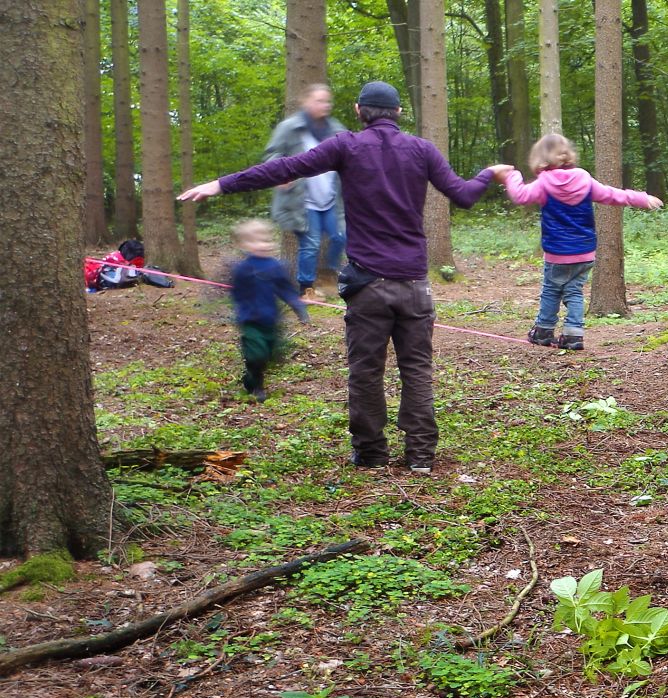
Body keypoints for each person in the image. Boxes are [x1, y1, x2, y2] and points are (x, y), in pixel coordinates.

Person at [180, 81, 509, 473]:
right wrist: (488, 173)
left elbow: (285, 167)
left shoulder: (347, 145)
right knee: (417, 371)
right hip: (413, 287)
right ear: (398, 113)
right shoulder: (421, 149)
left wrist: (219, 184)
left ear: (358, 111)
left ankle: (371, 454)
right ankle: (420, 456)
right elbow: (465, 195)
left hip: (369, 287)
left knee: (366, 372)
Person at [504, 132, 663, 351]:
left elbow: (520, 195)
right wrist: (642, 198)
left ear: (540, 158)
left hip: (557, 253)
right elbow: (612, 194)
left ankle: (543, 331)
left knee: (551, 290)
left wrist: (511, 175)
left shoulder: (544, 183)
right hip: (584, 251)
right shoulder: (583, 178)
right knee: (574, 291)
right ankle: (574, 335)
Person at [265, 84, 349, 297]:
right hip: (302, 201)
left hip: (331, 199)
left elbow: (350, 155)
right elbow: (272, 154)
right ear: (306, 102)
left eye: (327, 101)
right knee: (310, 244)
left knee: (341, 236)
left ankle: (328, 275)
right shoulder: (290, 128)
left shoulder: (336, 129)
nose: (325, 105)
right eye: (319, 101)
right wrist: (279, 175)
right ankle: (306, 288)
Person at [226, 219, 311, 402]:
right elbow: (236, 292)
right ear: (245, 245)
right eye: (256, 241)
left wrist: (298, 307)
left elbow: (285, 289)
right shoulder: (243, 268)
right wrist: (242, 308)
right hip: (251, 320)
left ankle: (254, 374)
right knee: (256, 354)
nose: (263, 245)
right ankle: (255, 384)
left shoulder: (275, 266)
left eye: (266, 240)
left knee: (272, 354)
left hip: (271, 319)